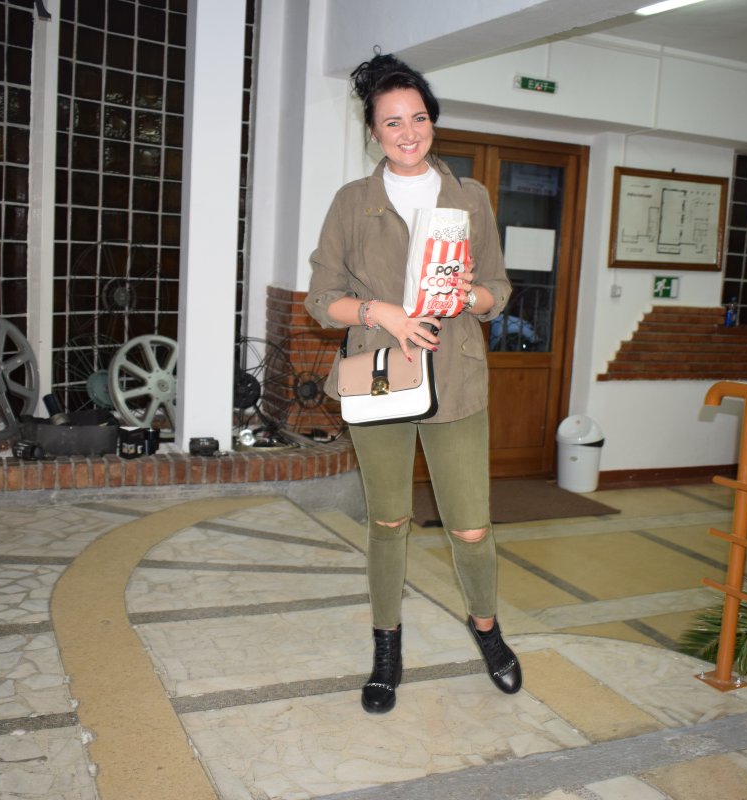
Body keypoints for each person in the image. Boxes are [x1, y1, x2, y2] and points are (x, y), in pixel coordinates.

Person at [304, 52, 519, 713]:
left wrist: (469, 296)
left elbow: (500, 289)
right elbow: (322, 300)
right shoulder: (353, 202)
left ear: (432, 122)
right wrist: (382, 313)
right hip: (380, 374)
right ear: (374, 131)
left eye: (418, 117)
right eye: (392, 121)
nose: (407, 132)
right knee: (388, 520)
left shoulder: (470, 198)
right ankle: (386, 646)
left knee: (471, 527)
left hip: (456, 375)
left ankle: (486, 627)